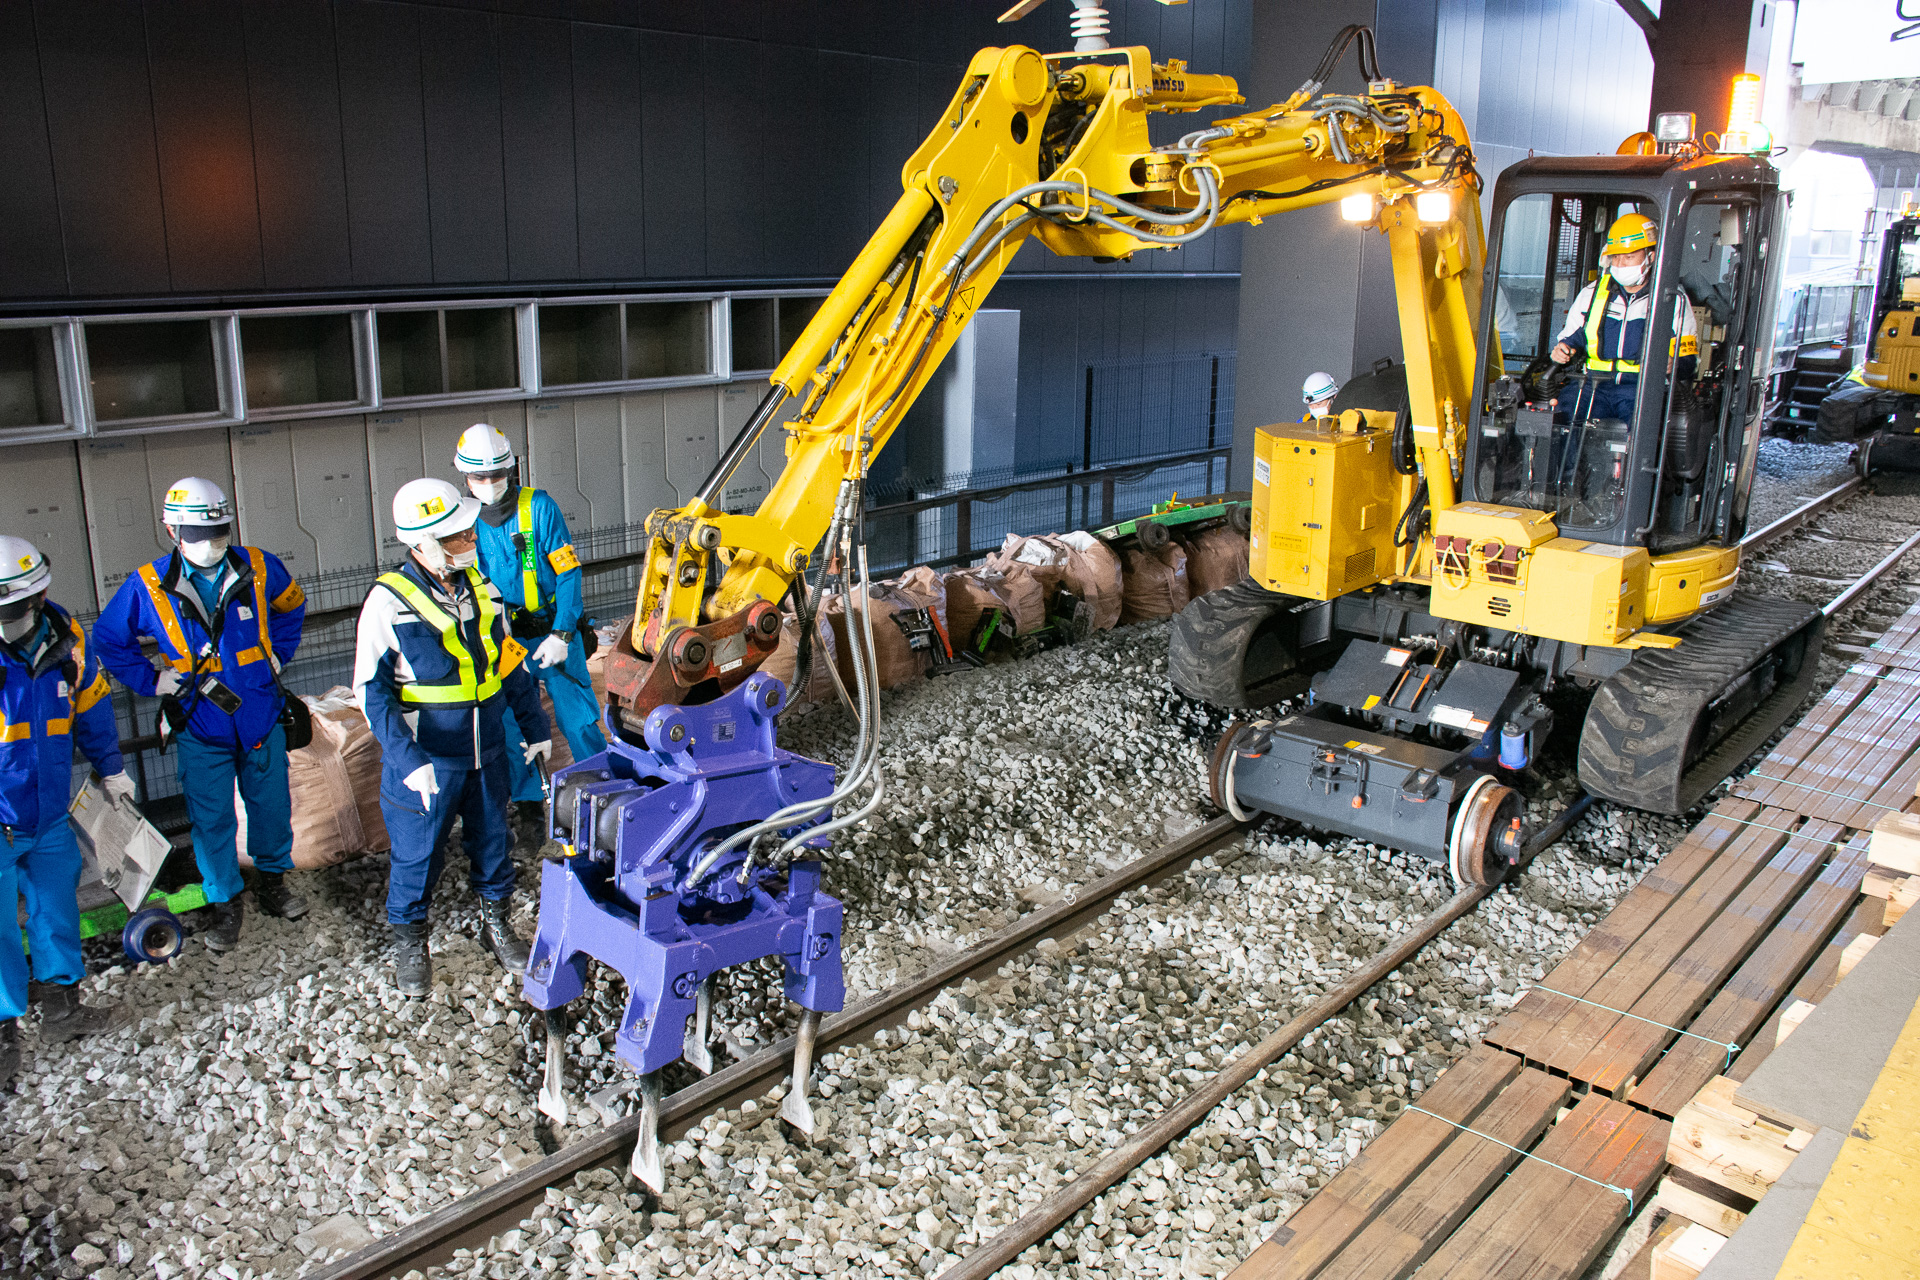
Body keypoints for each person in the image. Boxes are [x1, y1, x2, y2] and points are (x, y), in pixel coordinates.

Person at [354, 478, 551, 996]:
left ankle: (496, 923)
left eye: (467, 532)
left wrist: (535, 731)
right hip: (428, 761)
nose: (468, 540)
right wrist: (407, 759)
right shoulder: (387, 602)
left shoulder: (482, 589)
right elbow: (371, 694)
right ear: (421, 544)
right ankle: (410, 942)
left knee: (493, 844)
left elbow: (511, 668)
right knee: (418, 854)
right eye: (455, 536)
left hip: (487, 752)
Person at [94, 478, 308, 954]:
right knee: (211, 820)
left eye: (219, 531)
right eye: (198, 534)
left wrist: (280, 654)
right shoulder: (148, 585)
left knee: (271, 807)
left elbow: (293, 608)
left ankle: (274, 882)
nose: (211, 543)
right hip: (199, 722)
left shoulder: (257, 566)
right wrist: (152, 681)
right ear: (171, 530)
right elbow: (109, 639)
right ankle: (225, 902)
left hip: (259, 716)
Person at [0, 539, 134, 1080]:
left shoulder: (70, 642)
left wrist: (111, 768)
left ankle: (61, 1009)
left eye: (13, 611)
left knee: (57, 909)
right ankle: (5, 1035)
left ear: (40, 596)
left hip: (49, 813)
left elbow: (92, 709)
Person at [452, 425, 606, 839]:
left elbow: (568, 571)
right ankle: (529, 810)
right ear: (464, 477)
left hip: (551, 632)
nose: (488, 484)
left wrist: (563, 634)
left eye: (496, 475)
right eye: (479, 478)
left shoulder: (538, 507)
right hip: (504, 640)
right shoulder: (461, 523)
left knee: (577, 717)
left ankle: (605, 792)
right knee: (510, 723)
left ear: (512, 469)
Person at [1547, 210, 1699, 426]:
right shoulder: (1592, 294)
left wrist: (1673, 364)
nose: (1620, 264)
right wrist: (1562, 349)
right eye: (1616, 256)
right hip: (1593, 384)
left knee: (1641, 429)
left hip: (1640, 388)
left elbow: (1688, 361)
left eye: (1629, 257)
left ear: (1651, 257)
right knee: (1562, 419)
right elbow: (1573, 337)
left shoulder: (1673, 299)